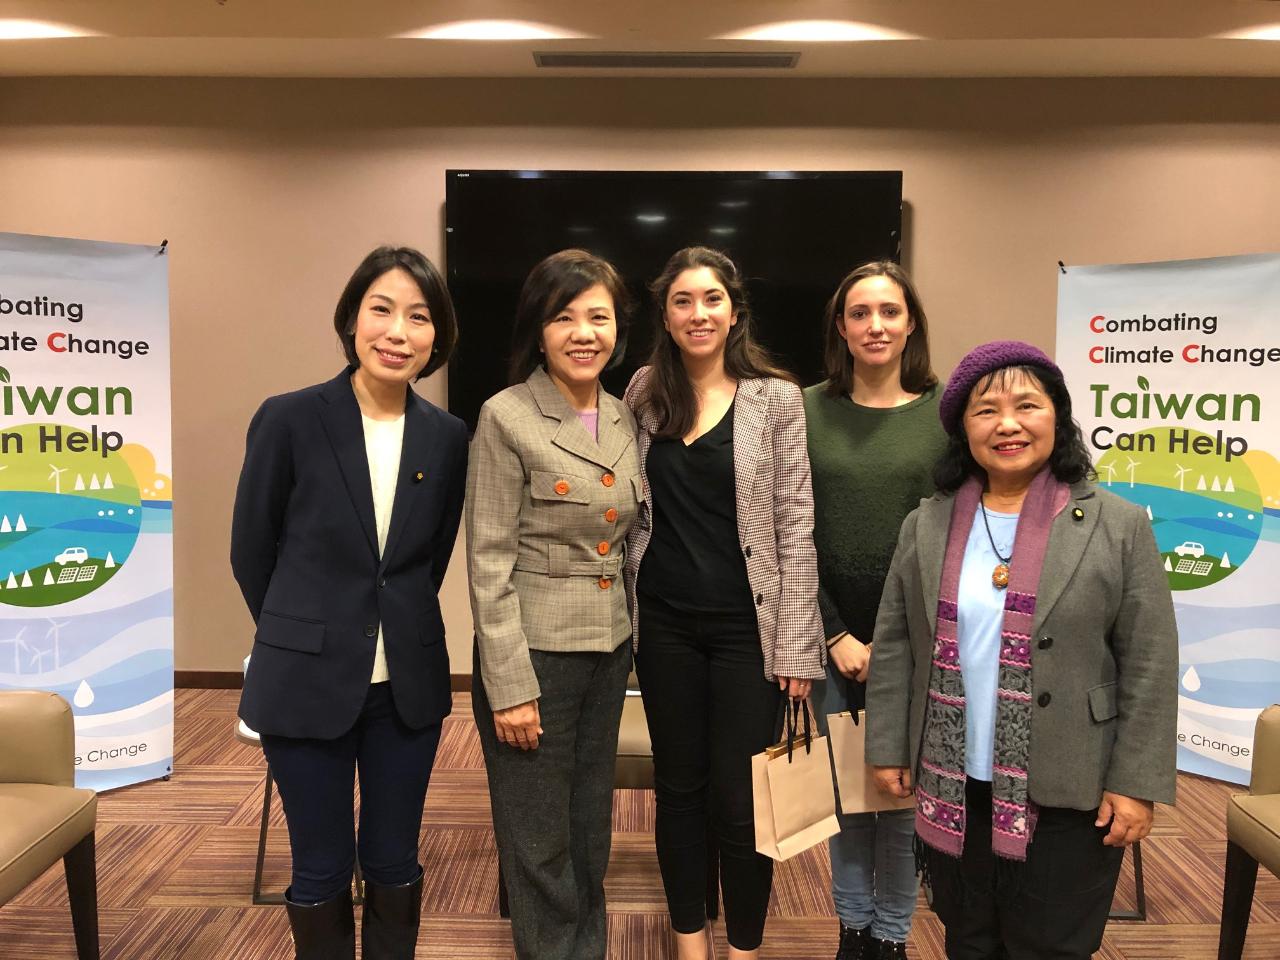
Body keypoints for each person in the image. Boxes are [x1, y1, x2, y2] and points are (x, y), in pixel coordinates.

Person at [865, 340, 1178, 960]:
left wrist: (1136, 783)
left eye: (1026, 406)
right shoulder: (926, 524)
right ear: (963, 431)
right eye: (986, 411)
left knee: (1051, 944)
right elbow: (897, 643)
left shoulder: (1118, 524)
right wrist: (888, 747)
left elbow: (1150, 660)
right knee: (968, 937)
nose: (1007, 424)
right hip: (955, 781)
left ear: (1057, 416)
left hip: (1072, 784)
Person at [231, 246, 467, 960]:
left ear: (436, 335)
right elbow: (251, 552)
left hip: (407, 689)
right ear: (351, 320)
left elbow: (428, 560)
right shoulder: (290, 418)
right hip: (305, 682)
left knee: (394, 862)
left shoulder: (446, 436)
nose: (398, 332)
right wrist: (304, 634)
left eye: (419, 317)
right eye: (381, 310)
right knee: (321, 866)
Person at [623, 246, 825, 960]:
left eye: (711, 299)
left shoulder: (775, 397)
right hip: (665, 624)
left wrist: (798, 646)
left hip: (749, 630)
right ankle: (690, 944)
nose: (698, 313)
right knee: (678, 790)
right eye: (682, 300)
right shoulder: (645, 391)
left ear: (734, 311)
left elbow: (796, 526)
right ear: (665, 314)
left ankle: (742, 948)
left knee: (741, 803)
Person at [466, 249, 640, 960]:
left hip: (609, 649)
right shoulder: (506, 415)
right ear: (539, 332)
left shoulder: (624, 415)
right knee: (538, 837)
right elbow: (487, 562)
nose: (584, 332)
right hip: (535, 655)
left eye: (599, 316)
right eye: (564, 317)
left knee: (589, 826)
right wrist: (509, 687)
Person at [804, 262, 946, 960]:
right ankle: (853, 928)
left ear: (911, 322)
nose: (875, 326)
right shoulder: (806, 410)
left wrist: (899, 643)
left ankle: (892, 935)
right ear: (841, 326)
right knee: (845, 795)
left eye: (889, 311)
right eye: (859, 313)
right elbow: (787, 532)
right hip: (831, 636)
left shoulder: (947, 414)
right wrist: (833, 631)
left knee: (902, 795)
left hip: (919, 641)